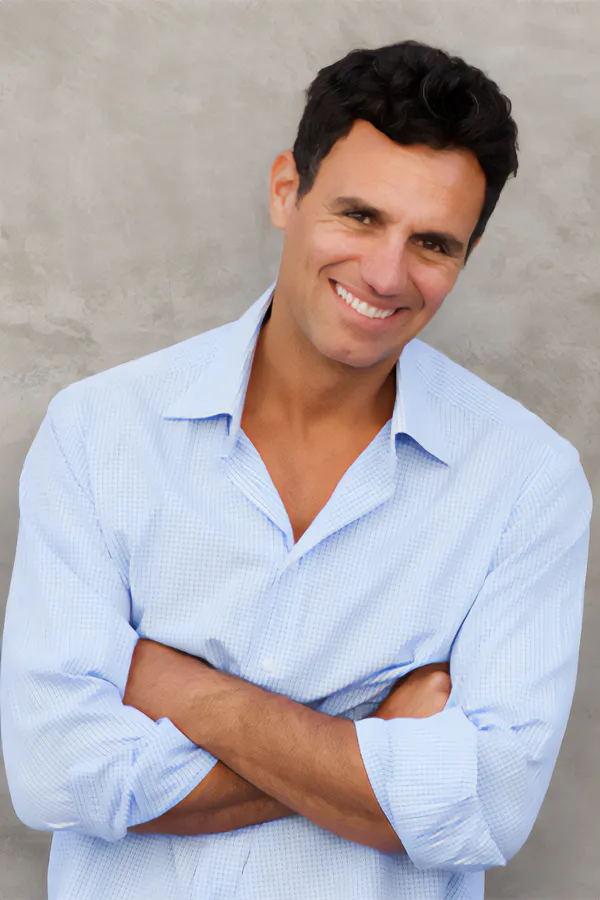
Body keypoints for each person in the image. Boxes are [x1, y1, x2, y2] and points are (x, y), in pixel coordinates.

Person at [0, 39, 592, 900]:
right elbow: (56, 772)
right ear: (287, 189)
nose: (385, 275)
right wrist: (376, 738)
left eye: (433, 243)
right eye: (360, 216)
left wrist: (188, 694)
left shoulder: (528, 482)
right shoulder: (99, 432)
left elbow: (484, 808)